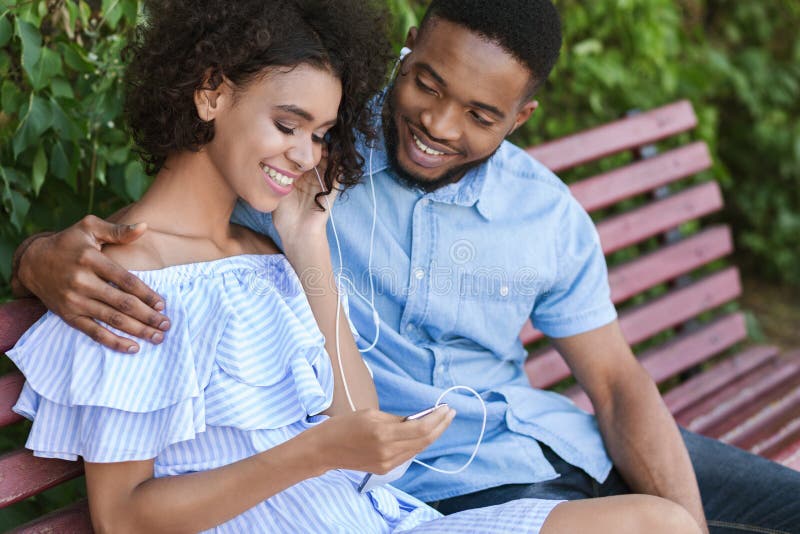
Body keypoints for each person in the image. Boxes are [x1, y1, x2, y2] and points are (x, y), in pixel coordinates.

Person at [11, 0, 799, 533]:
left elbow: (619, 382)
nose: (437, 122)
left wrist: (306, 242)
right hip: (425, 494)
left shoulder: (530, 209)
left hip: (539, 450)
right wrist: (37, 258)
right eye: (426, 82)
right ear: (409, 46)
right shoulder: (309, 158)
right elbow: (153, 244)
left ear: (522, 118)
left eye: (481, 115)